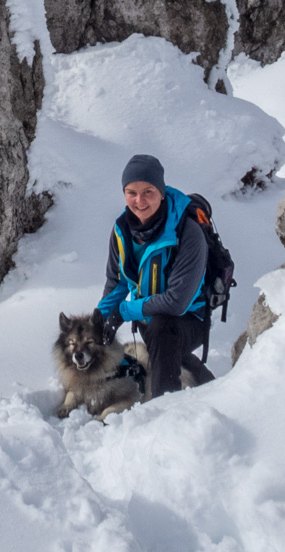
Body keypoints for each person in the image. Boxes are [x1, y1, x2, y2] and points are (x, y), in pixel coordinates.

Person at [96, 153, 215, 399]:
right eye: (131, 192)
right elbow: (118, 281)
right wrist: (101, 316)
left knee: (164, 333)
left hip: (190, 318)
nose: (139, 201)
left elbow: (176, 301)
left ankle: (164, 408)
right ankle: (209, 384)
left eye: (148, 191)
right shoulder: (121, 231)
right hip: (147, 315)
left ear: (161, 192)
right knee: (165, 346)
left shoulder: (187, 232)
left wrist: (124, 312)